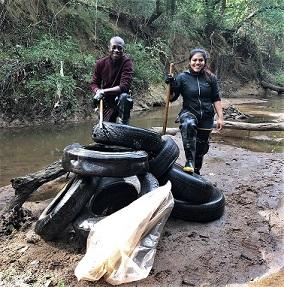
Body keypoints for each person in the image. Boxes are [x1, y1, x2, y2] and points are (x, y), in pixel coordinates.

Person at [166, 48, 224, 174]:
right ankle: (189, 161)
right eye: (194, 60)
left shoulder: (211, 78)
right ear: (189, 62)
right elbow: (171, 98)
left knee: (201, 149)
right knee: (188, 124)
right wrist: (171, 86)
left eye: (200, 60)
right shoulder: (182, 77)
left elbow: (216, 98)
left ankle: (196, 171)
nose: (197, 63)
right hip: (189, 112)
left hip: (207, 116)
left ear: (205, 62)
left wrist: (220, 117)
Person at [91, 36, 134, 124]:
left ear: (123, 50)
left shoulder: (127, 62)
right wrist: (97, 91)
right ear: (109, 47)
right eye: (114, 47)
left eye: (120, 48)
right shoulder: (100, 63)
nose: (116, 50)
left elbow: (124, 86)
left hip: (121, 99)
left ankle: (124, 125)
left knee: (124, 97)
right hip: (107, 101)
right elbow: (94, 83)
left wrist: (103, 91)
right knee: (106, 126)